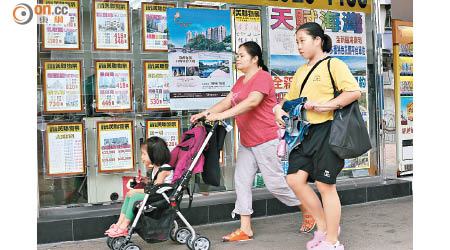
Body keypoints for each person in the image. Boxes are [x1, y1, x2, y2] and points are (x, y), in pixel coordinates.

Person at [190, 41, 314, 242]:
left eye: (241, 55)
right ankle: (245, 228)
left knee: (275, 185)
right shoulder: (240, 81)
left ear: (255, 59)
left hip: (266, 140)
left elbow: (252, 102)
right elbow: (227, 101)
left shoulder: (263, 77)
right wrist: (205, 114)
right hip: (247, 142)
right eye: (237, 55)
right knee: (241, 182)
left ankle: (310, 207)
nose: (237, 59)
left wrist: (220, 116)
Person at [273, 22, 361, 250]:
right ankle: (323, 227)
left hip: (329, 131)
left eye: (303, 41)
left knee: (325, 185)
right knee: (294, 179)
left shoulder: (334, 65)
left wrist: (326, 106)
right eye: (297, 43)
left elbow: (354, 91)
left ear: (317, 40)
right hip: (305, 133)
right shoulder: (301, 70)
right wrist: (277, 109)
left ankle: (332, 241)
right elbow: (290, 100)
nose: (299, 47)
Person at [105, 136, 173, 238]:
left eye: (144, 154)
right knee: (129, 196)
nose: (142, 157)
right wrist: (145, 181)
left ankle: (124, 226)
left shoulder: (164, 169)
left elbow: (156, 188)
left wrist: (137, 191)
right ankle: (119, 223)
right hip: (156, 194)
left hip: (162, 197)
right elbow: (155, 184)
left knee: (133, 196)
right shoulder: (156, 167)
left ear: (155, 154)